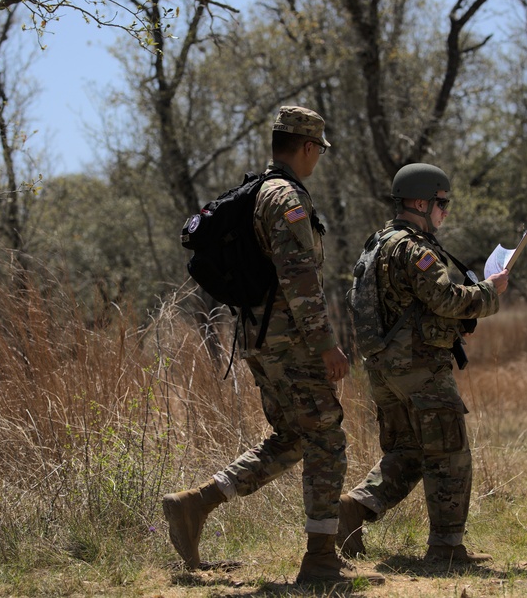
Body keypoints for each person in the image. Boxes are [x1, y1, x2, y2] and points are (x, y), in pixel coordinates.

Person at [162, 106, 384, 585]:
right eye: (318, 151)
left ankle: (195, 504)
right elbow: (299, 277)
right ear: (307, 148)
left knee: (295, 436)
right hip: (291, 341)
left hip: (260, 338)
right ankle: (321, 558)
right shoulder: (286, 198)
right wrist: (326, 343)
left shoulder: (258, 190)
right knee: (326, 437)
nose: (318, 159)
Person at [338, 163, 509, 564]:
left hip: (382, 372)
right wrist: (489, 291)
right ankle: (447, 548)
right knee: (450, 453)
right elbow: (445, 298)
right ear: (420, 202)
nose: (445, 212)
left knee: (409, 454)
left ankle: (354, 508)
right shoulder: (414, 248)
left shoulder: (376, 244)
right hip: (418, 370)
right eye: (441, 203)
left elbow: (410, 307)